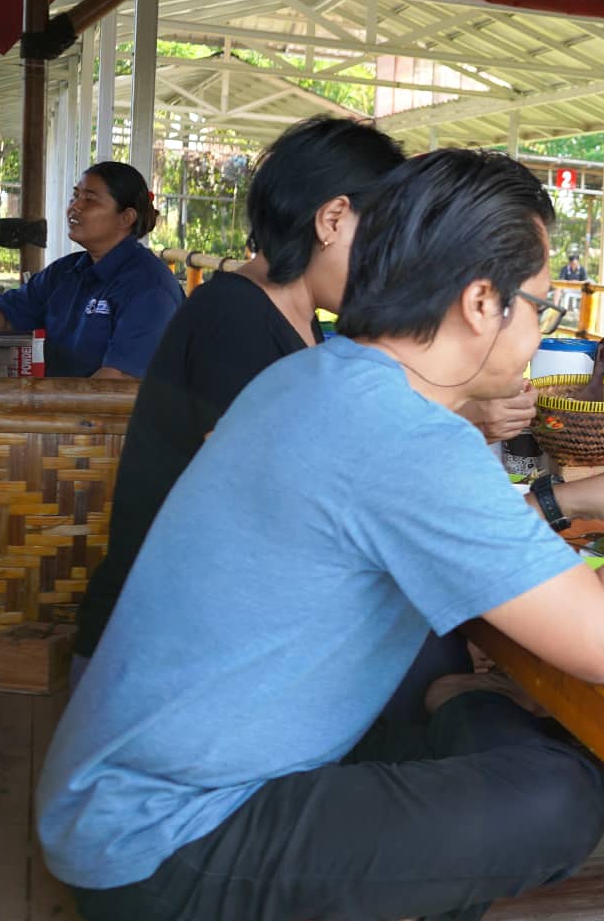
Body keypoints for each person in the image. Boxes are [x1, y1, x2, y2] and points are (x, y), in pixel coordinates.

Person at [37, 149, 604, 920]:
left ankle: (460, 701)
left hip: (126, 788)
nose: (537, 330)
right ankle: (462, 701)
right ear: (483, 301)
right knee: (557, 796)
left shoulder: (320, 376)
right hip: (163, 841)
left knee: (483, 725)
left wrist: (575, 497)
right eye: (540, 307)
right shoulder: (400, 430)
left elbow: (427, 529)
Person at [70, 119, 537, 709]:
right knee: (452, 680)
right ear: (333, 219)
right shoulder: (232, 319)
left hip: (215, 637)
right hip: (166, 665)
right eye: (387, 238)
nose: (393, 266)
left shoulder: (298, 321)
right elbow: (283, 501)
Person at [0, 161, 183, 378]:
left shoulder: (148, 286)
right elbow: (10, 311)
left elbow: (116, 384)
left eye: (89, 200)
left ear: (126, 218)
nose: (74, 207)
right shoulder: (67, 272)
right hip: (61, 418)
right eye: (75, 195)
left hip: (108, 431)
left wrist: (37, 412)